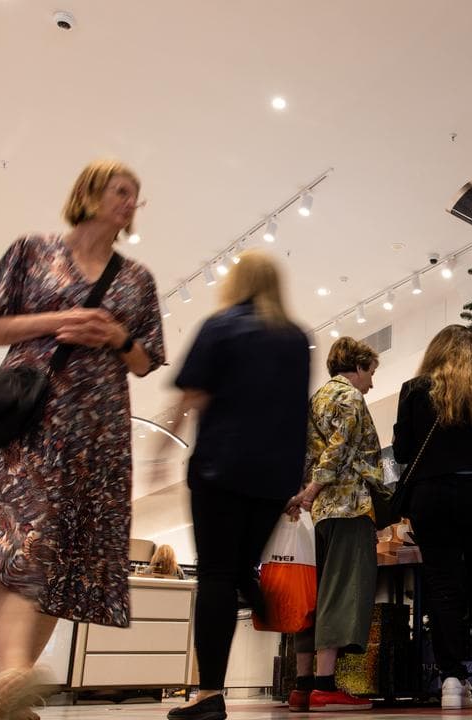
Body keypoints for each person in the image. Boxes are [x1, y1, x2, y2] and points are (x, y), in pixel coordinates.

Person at [0, 159, 165, 720]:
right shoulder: (32, 251)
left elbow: (146, 360)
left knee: (62, 554)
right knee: (14, 540)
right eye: (120, 190)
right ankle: (14, 673)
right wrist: (58, 320)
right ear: (89, 192)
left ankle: (12, 692)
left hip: (97, 431)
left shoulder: (136, 279)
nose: (130, 201)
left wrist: (117, 333)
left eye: (136, 195)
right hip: (31, 419)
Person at [157, 250, 311, 720]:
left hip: (220, 469)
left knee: (217, 575)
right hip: (274, 477)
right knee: (241, 566)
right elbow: (296, 412)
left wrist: (160, 450)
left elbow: (192, 395)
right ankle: (261, 596)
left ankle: (209, 694)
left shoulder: (220, 325)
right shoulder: (295, 339)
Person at [392, 325, 472, 710]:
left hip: (431, 497)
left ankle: (452, 680)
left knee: (443, 587)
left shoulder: (415, 390)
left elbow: (402, 453)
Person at [284, 337, 386, 713]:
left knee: (315, 594)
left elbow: (309, 452)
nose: (371, 382)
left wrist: (303, 495)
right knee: (342, 594)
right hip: (349, 506)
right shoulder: (349, 397)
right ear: (357, 366)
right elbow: (339, 451)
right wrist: (310, 491)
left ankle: (303, 685)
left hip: (322, 514)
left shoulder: (317, 399)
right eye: (371, 372)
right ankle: (326, 687)